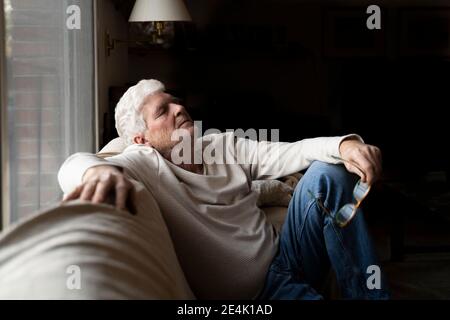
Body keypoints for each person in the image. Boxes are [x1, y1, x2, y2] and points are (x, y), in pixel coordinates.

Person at [58, 79, 389, 299]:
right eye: (163, 111)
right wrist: (99, 172)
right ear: (141, 140)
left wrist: (345, 145)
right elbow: (74, 163)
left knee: (327, 172)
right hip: (262, 293)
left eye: (175, 102)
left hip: (288, 254)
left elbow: (291, 151)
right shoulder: (145, 164)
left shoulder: (217, 146)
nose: (179, 108)